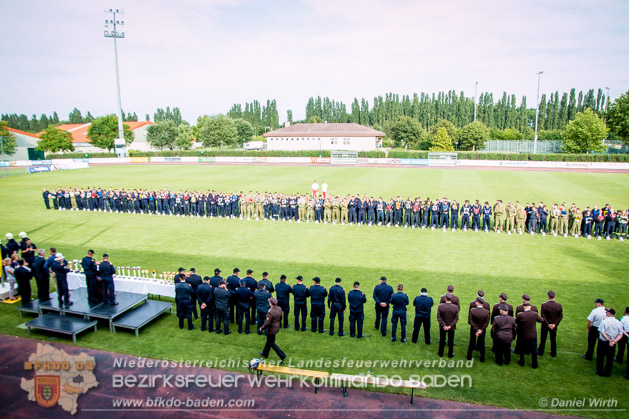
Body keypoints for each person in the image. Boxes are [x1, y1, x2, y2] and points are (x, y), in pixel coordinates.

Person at [596, 308, 623, 377]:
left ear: (609, 314)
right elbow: (620, 334)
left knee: (600, 357)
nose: (605, 313)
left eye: (606, 312)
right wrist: (614, 341)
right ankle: (607, 373)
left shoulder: (604, 322)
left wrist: (608, 340)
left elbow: (602, 332)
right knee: (610, 358)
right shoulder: (619, 323)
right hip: (612, 343)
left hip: (603, 342)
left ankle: (599, 371)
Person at [259, 298, 287, 363]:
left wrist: (261, 328)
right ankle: (265, 353)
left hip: (271, 329)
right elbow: (281, 318)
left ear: (271, 304)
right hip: (276, 327)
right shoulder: (279, 308)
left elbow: (267, 322)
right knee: (269, 341)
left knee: (272, 343)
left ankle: (282, 355)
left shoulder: (270, 312)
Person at [515, 302, 543, 368]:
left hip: (523, 335)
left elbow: (516, 322)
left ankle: (522, 362)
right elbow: (541, 320)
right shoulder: (534, 314)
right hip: (532, 335)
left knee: (522, 349)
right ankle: (534, 364)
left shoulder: (520, 315)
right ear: (530, 307)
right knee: (534, 350)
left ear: (524, 307)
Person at [538, 290, 563, 357]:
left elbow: (542, 316)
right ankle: (553, 353)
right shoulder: (559, 305)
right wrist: (555, 324)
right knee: (553, 339)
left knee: (543, 338)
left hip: (545, 325)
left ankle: (540, 351)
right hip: (554, 325)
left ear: (548, 297)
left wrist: (548, 324)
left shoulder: (544, 305)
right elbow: (560, 316)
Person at [437, 293, 459, 358]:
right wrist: (450, 326)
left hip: (442, 327)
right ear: (451, 299)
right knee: (451, 340)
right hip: (451, 327)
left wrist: (443, 325)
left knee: (442, 340)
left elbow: (439, 317)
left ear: (445, 299)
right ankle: (450, 354)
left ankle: (440, 353)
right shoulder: (455, 307)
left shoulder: (440, 306)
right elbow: (456, 318)